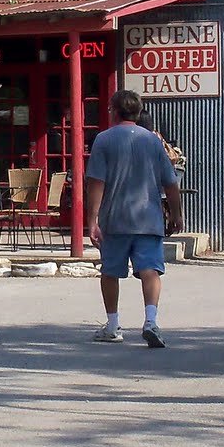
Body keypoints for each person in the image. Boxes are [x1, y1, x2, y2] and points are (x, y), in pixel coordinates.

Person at [85, 89, 183, 349]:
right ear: (138, 113)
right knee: (150, 270)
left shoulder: (103, 140)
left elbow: (97, 182)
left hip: (115, 219)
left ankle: (113, 324)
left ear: (114, 111)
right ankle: (151, 321)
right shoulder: (152, 141)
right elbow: (170, 182)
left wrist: (92, 220)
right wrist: (176, 213)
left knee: (110, 272)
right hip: (148, 218)